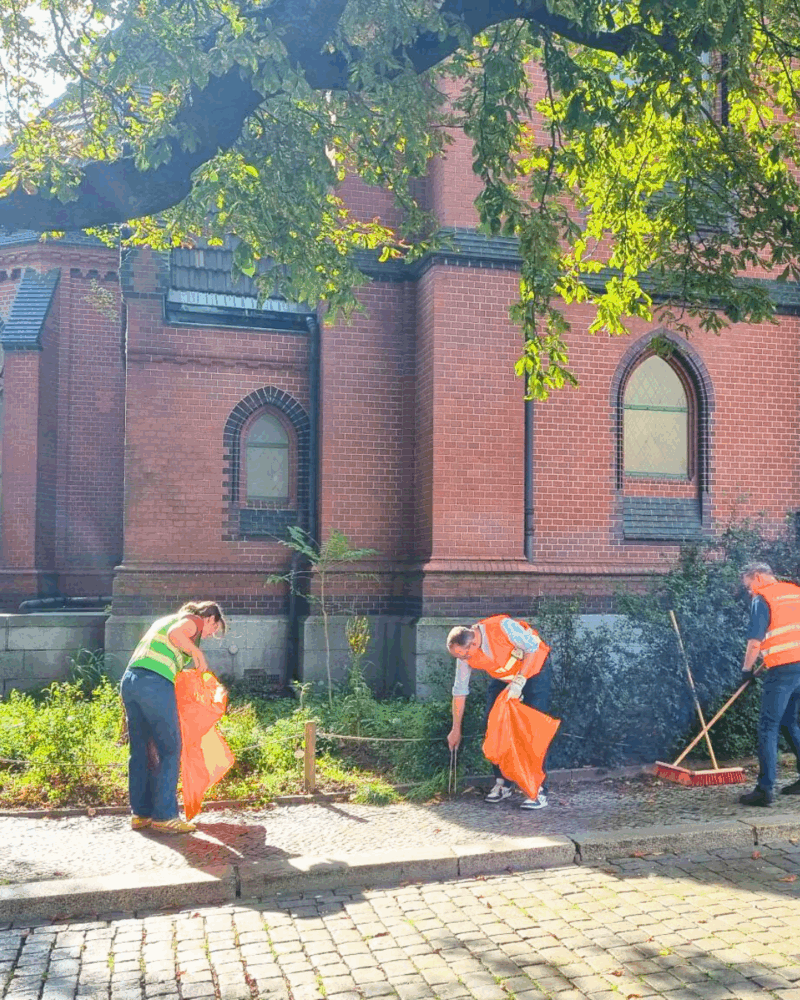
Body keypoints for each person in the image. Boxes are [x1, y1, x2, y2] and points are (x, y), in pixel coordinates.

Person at [120, 601, 227, 833]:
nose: (210, 634)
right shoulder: (193, 621)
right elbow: (175, 634)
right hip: (154, 684)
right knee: (170, 748)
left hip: (130, 681)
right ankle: (165, 816)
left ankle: (140, 814)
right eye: (214, 629)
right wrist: (197, 653)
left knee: (141, 750)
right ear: (210, 618)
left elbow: (166, 649)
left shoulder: (165, 619)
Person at [446, 614, 552, 809]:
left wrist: (520, 682)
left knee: (532, 729)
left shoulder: (503, 627)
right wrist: (455, 728)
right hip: (506, 677)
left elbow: (532, 648)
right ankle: (504, 783)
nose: (463, 660)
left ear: (473, 643)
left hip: (536, 671)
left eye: (464, 655)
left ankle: (538, 790)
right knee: (493, 725)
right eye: (459, 657)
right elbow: (460, 690)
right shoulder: (465, 653)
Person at [738, 563, 800, 807]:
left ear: (757, 577)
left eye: (749, 586)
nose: (749, 592)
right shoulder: (795, 592)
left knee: (768, 726)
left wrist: (746, 670)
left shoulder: (762, 598)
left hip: (782, 670)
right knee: (788, 722)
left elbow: (755, 641)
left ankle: (764, 790)